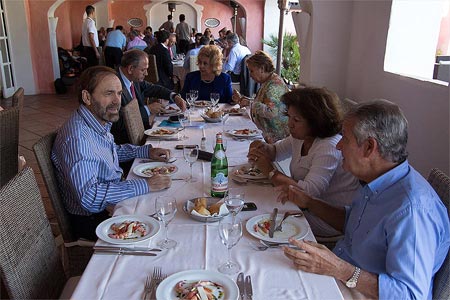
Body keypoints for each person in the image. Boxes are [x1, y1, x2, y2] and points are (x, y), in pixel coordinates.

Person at [282, 99, 450, 299]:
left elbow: (411, 295)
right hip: (344, 273)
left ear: (369, 147)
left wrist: (340, 269)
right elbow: (354, 223)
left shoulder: (412, 211)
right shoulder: (378, 180)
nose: (339, 146)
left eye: (344, 138)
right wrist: (309, 202)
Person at [51, 66, 172, 240]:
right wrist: (145, 185)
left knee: (165, 204)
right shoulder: (78, 139)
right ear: (87, 97)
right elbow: (90, 197)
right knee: (165, 224)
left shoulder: (95, 122)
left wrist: (145, 151)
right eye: (109, 93)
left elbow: (109, 151)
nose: (117, 101)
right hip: (93, 219)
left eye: (119, 93)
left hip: (110, 203)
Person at [248, 87, 360, 237]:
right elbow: (275, 151)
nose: (290, 124)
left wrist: (271, 171)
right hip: (305, 208)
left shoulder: (329, 147)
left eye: (296, 120)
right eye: (289, 117)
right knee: (257, 211)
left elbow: (307, 193)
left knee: (260, 218)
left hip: (327, 218)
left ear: (315, 122)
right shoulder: (301, 137)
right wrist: (260, 148)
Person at [111, 49, 186, 145]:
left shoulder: (132, 79)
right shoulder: (113, 85)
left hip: (143, 133)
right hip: (126, 143)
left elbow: (152, 88)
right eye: (143, 70)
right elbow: (117, 122)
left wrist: (174, 96)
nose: (146, 74)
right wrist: (147, 109)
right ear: (130, 69)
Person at [232, 50, 289, 143]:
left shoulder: (274, 85)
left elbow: (272, 112)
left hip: (276, 139)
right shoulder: (268, 81)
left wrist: (250, 103)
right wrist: (245, 99)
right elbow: (263, 103)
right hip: (266, 133)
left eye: (251, 71)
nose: (250, 75)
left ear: (262, 69)